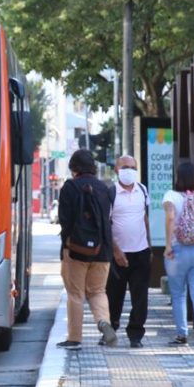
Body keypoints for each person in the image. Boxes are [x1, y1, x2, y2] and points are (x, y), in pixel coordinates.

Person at [56, 149, 116, 349]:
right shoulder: (105, 188)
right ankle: (104, 322)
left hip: (76, 251)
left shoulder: (70, 188)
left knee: (75, 294)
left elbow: (65, 221)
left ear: (74, 168)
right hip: (103, 250)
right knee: (98, 291)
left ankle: (75, 338)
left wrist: (66, 246)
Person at [163, 161, 194, 349]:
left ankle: (181, 334)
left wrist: (168, 245)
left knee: (178, 294)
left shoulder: (171, 196)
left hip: (178, 251)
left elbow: (169, 217)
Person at [105, 155, 151, 348]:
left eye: (133, 167)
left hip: (140, 251)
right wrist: (115, 250)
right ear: (116, 169)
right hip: (118, 254)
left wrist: (149, 244)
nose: (129, 170)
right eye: (125, 167)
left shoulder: (142, 190)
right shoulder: (111, 193)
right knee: (114, 296)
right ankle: (110, 330)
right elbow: (106, 225)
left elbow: (145, 218)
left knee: (140, 297)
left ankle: (136, 334)